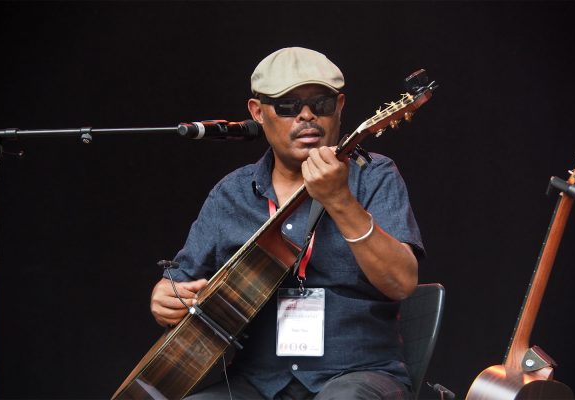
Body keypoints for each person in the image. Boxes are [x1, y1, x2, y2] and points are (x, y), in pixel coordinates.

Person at [150, 47, 424, 400]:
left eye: (320, 104)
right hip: (257, 382)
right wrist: (164, 298)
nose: (307, 116)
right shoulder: (231, 194)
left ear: (339, 107)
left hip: (356, 375)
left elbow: (401, 282)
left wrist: (340, 200)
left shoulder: (374, 176)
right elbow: (180, 284)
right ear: (257, 112)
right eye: (287, 106)